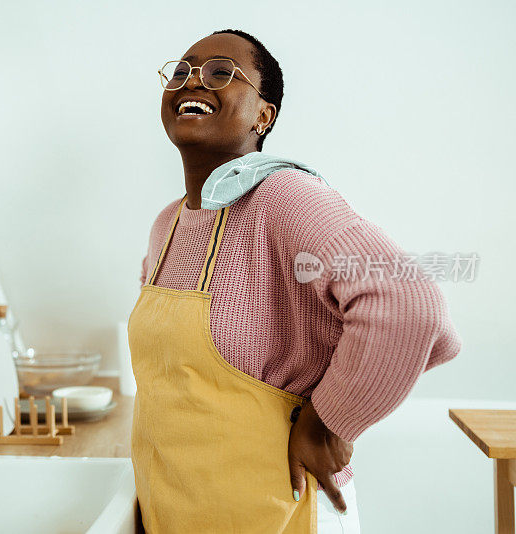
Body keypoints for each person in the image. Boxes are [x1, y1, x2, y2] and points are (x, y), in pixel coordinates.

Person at [129, 29, 461, 533]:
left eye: (222, 72)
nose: (193, 81)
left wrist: (329, 423)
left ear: (264, 116)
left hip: (278, 512)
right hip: (176, 510)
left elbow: (407, 300)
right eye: (181, 71)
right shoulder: (167, 224)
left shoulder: (284, 197)